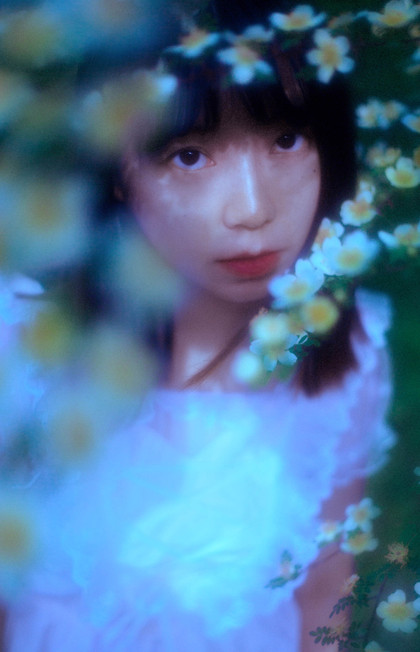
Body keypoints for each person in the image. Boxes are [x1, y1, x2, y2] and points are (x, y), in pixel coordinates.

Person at [3, 1, 395, 650]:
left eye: (286, 140)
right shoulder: (26, 343)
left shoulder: (345, 357)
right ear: (116, 170)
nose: (251, 209)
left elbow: (326, 589)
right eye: (188, 155)